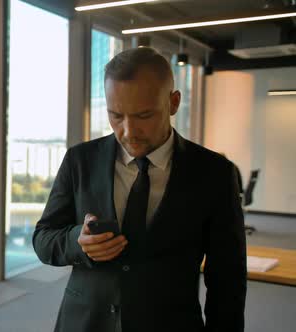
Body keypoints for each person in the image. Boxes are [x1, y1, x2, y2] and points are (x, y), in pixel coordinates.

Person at [33, 47, 246, 332]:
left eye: (144, 115)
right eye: (116, 115)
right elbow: (44, 238)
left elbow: (227, 278)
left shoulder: (215, 173)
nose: (129, 131)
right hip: (84, 323)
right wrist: (77, 242)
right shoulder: (80, 160)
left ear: (173, 103)